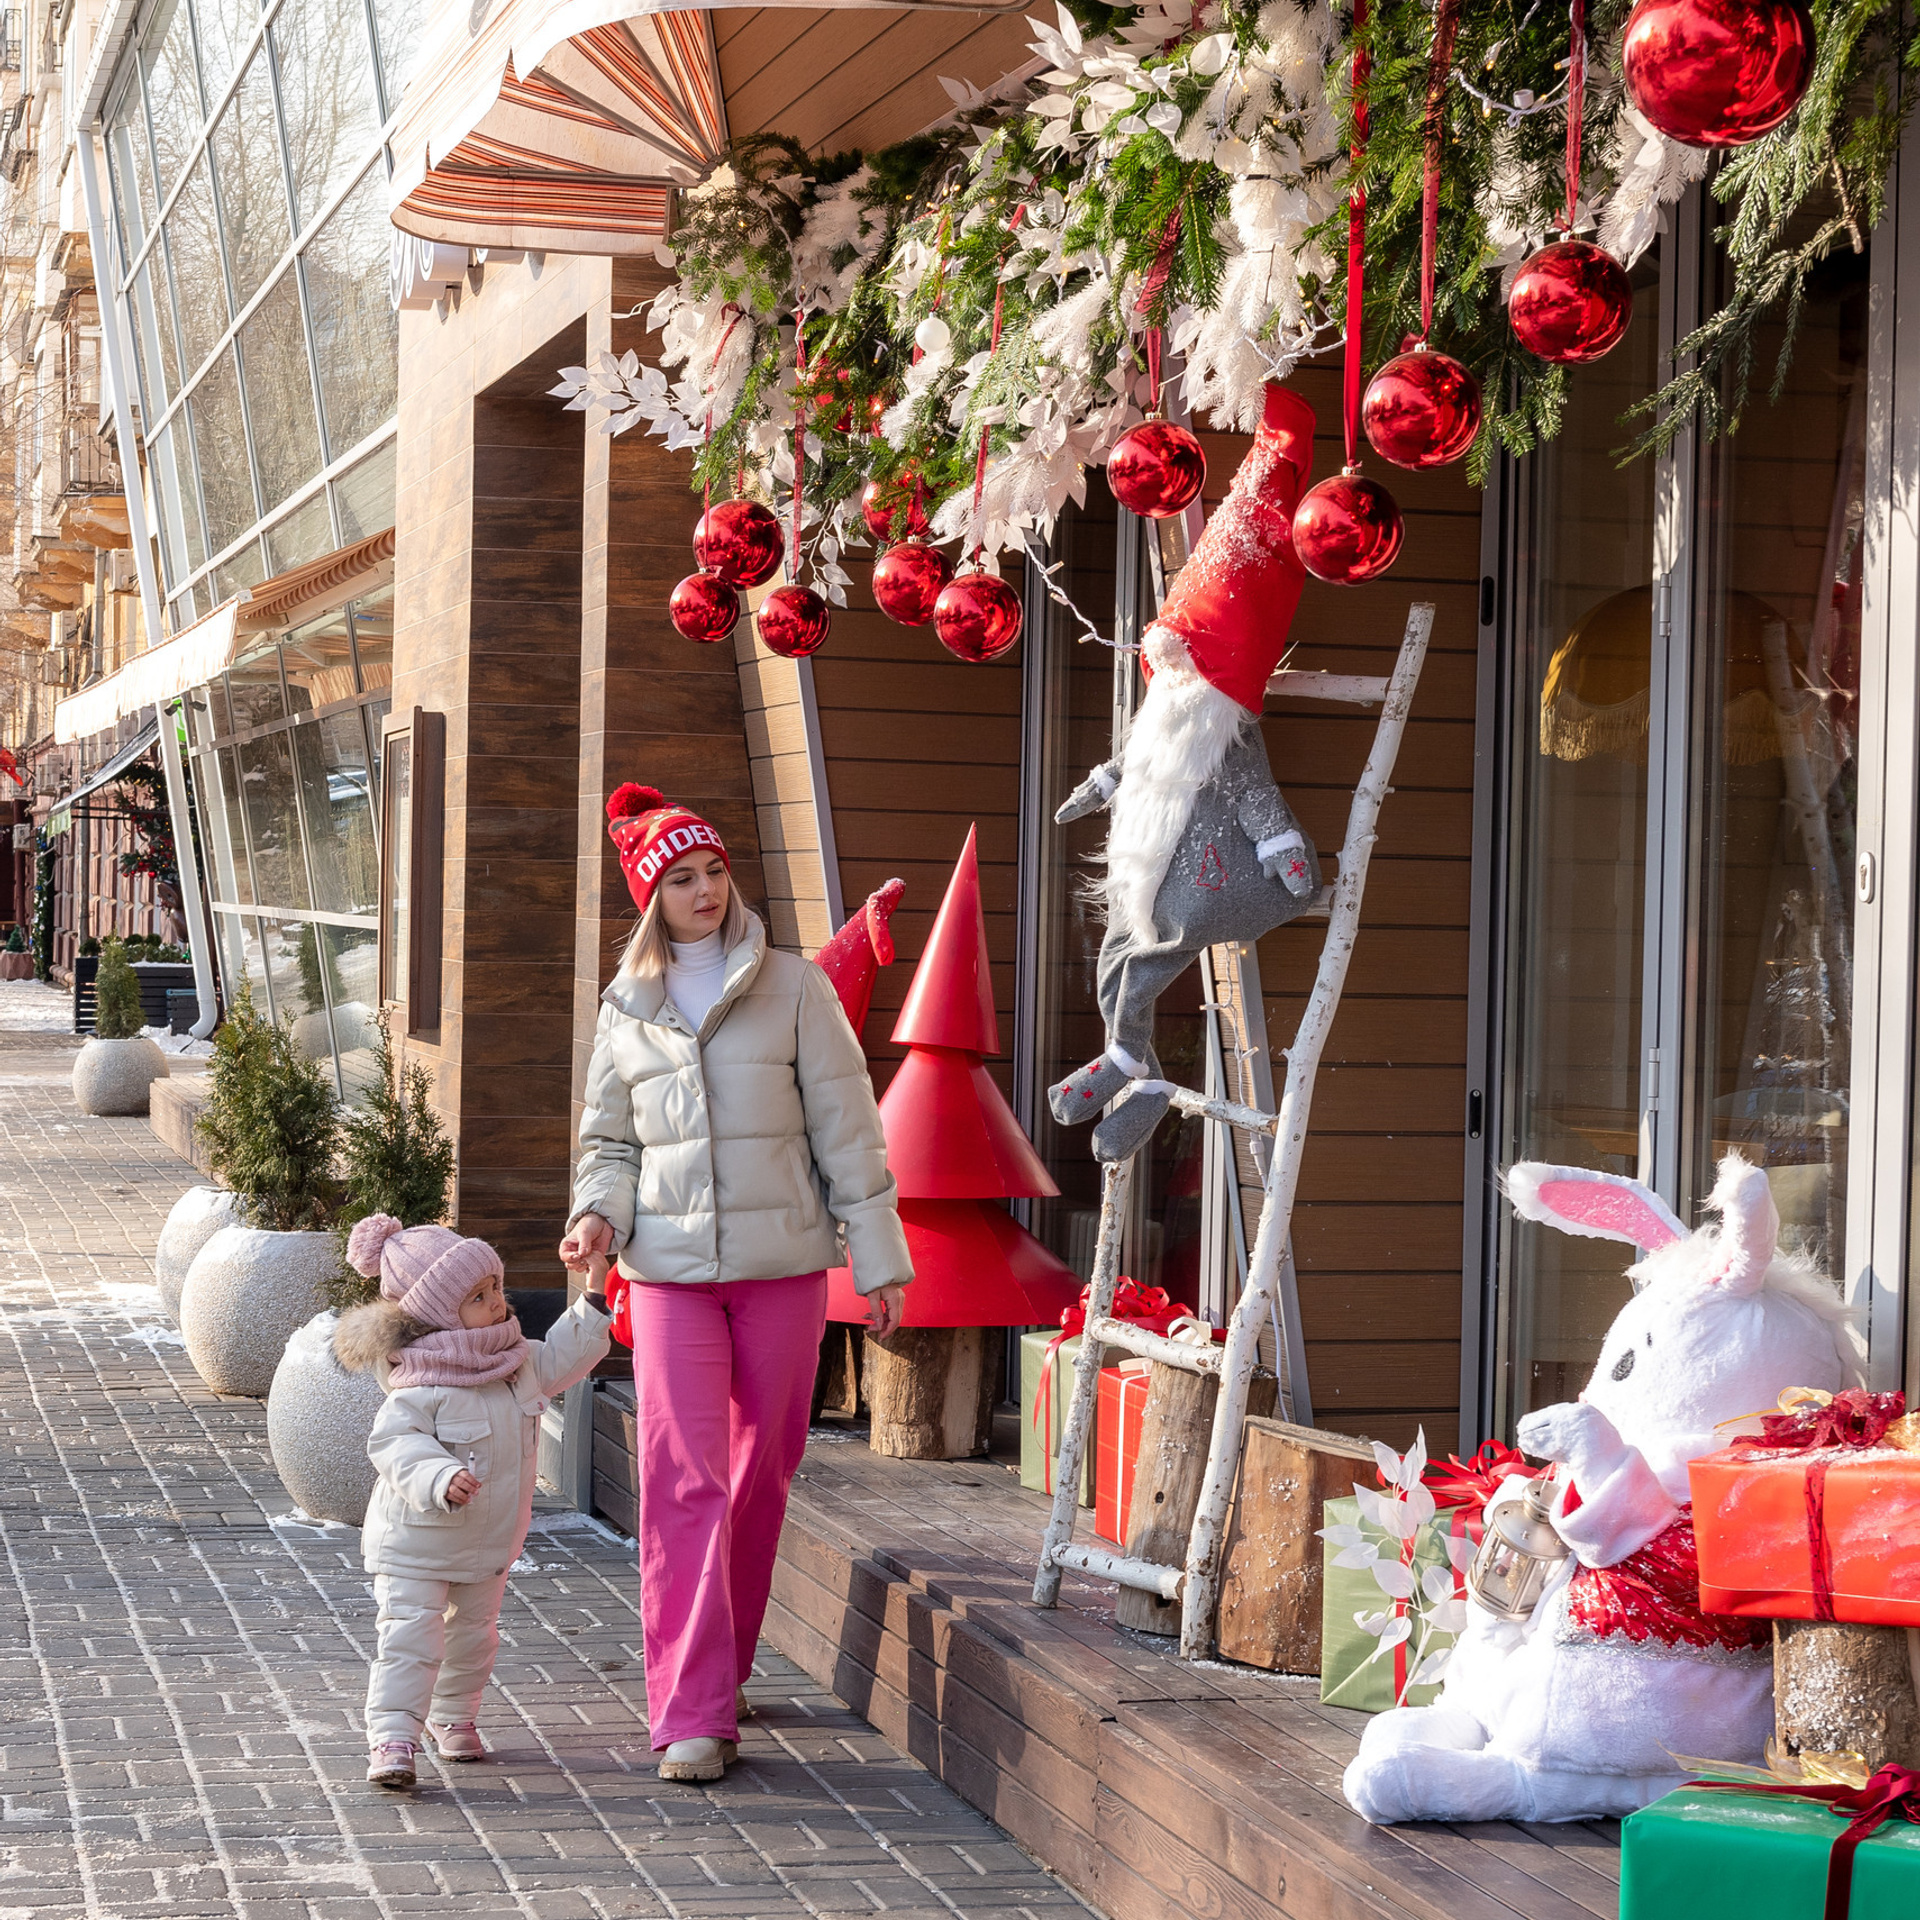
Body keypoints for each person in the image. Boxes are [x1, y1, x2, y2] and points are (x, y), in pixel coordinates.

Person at [558, 783, 910, 1783]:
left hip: (782, 1268)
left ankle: (728, 1656)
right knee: (684, 1477)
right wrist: (597, 1213)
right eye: (682, 877)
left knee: (766, 1468)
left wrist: (877, 1257)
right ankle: (692, 1710)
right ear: (651, 895)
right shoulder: (626, 1006)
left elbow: (850, 1128)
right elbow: (607, 1141)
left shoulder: (795, 989)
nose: (705, 889)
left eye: (713, 870)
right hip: (667, 1275)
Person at [335, 1213, 612, 1789]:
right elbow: (393, 1443)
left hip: (487, 1543)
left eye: (495, 1290)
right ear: (438, 1313)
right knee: (410, 1637)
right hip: (415, 1541)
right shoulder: (420, 1379)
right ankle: (393, 1738)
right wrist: (438, 1476)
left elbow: (567, 1355)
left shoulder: (513, 1363)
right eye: (478, 1297)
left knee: (473, 1636)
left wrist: (594, 1290)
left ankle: (453, 1716)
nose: (497, 1305)